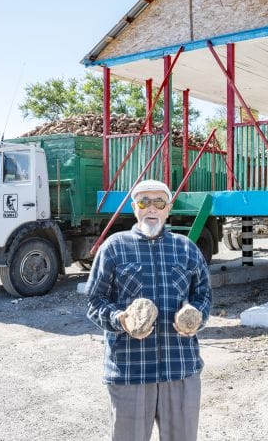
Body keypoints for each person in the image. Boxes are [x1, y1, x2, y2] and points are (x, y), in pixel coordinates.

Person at [85, 179, 212, 441]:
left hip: (180, 369)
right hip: (131, 371)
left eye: (158, 202)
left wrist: (196, 316)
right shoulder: (114, 247)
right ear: (134, 207)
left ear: (168, 208)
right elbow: (95, 301)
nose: (151, 208)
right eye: (144, 202)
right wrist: (121, 319)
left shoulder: (186, 248)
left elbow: (203, 295)